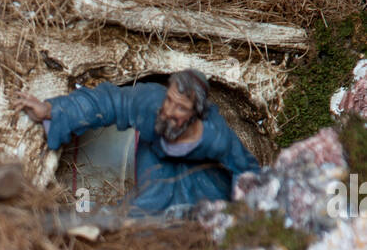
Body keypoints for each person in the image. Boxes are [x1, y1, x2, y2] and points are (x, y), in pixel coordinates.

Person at [14, 68, 260, 219]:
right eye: (169, 100)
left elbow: (246, 170)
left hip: (200, 177)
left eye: (181, 108)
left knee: (206, 214)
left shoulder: (215, 137)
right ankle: (96, 218)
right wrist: (52, 110)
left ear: (196, 114)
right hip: (155, 160)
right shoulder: (150, 103)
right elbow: (106, 102)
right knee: (143, 212)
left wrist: (249, 213)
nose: (168, 111)